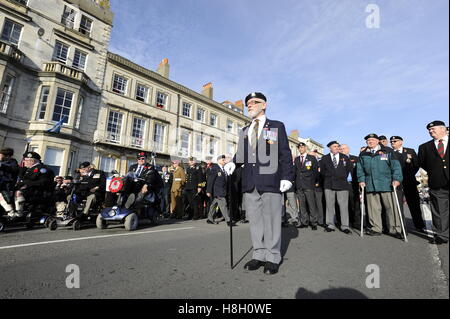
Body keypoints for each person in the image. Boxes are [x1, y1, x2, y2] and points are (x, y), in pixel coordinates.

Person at [224, 92, 294, 275]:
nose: (250, 105)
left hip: (270, 179)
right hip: (250, 181)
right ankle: (258, 254)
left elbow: (284, 154)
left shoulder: (276, 126)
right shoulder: (245, 130)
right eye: (248, 103)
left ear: (264, 105)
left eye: (254, 102)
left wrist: (287, 176)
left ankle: (272, 256)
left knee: (271, 220)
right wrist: (233, 162)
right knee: (255, 222)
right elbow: (241, 154)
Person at [357, 134, 403, 238]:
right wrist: (361, 180)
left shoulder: (387, 151)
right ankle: (376, 228)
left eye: (372, 139)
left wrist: (397, 179)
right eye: (368, 140)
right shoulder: (363, 154)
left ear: (378, 141)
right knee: (373, 209)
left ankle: (395, 229)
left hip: (386, 184)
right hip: (370, 184)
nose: (370, 141)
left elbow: (395, 166)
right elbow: (360, 169)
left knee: (391, 208)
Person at [418, 121, 449, 245]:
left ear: (443, 129)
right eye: (429, 130)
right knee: (439, 211)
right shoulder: (424, 147)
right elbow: (423, 163)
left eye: (433, 129)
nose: (431, 131)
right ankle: (442, 235)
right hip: (437, 182)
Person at [390, 136, 426, 233]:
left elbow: (416, 164)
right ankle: (401, 227)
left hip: (409, 181)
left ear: (401, 142)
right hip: (397, 183)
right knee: (398, 206)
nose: (392, 142)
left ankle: (419, 225)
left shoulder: (410, 151)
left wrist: (410, 173)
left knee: (414, 205)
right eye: (391, 141)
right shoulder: (390, 153)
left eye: (394, 141)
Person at [320, 141, 353, 234]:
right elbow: (322, 171)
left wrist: (340, 177)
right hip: (329, 184)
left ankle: (345, 226)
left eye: (338, 146)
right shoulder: (324, 158)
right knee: (329, 205)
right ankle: (330, 224)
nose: (337, 148)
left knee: (343, 206)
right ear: (330, 148)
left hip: (342, 184)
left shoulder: (345, 157)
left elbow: (348, 170)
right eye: (334, 146)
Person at [10, 151, 54, 218]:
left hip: (37, 192)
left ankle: (19, 213)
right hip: (28, 191)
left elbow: (43, 183)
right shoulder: (27, 169)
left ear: (32, 161)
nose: (24, 162)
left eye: (25, 160)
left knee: (18, 193)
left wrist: (26, 184)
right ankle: (10, 211)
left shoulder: (42, 169)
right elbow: (14, 170)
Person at [294, 142, 319, 229]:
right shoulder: (297, 159)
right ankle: (304, 222)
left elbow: (315, 171)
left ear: (305, 148)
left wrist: (314, 181)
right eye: (299, 147)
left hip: (309, 184)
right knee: (302, 205)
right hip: (299, 185)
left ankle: (313, 222)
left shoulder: (311, 158)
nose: (301, 149)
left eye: (302, 147)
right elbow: (296, 172)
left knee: (311, 204)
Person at [340, 144, 364, 230]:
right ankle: (347, 222)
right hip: (343, 184)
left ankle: (357, 222)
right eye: (341, 149)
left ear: (348, 149)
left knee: (355, 204)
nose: (342, 150)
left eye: (344, 148)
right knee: (345, 204)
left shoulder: (356, 158)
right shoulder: (338, 159)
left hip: (353, 184)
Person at [206, 155, 234, 226]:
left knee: (214, 205)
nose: (224, 161)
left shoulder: (223, 168)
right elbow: (210, 180)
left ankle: (209, 218)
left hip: (222, 191)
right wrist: (208, 191)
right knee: (223, 205)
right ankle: (228, 221)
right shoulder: (215, 168)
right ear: (218, 160)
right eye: (223, 160)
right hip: (218, 191)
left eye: (224, 160)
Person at [0, 148, 19, 216]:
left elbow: (13, 170)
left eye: (1, 155)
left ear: (7, 156)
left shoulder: (13, 162)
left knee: (6, 200)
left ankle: (11, 214)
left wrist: (1, 166)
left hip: (6, 186)